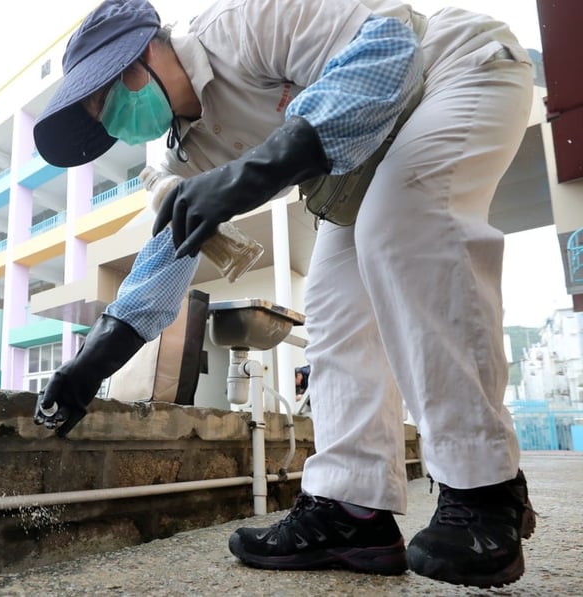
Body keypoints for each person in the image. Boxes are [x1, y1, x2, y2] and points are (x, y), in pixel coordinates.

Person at [31, 0, 537, 589]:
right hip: (364, 169)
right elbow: (165, 259)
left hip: (452, 70)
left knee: (403, 225)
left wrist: (249, 175)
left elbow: (388, 50)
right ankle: (351, 510)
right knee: (334, 311)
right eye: (102, 116)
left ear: (143, 51)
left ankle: (485, 488)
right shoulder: (185, 156)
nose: (115, 120)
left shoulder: (242, 25)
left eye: (109, 97)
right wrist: (88, 366)